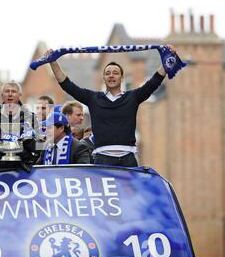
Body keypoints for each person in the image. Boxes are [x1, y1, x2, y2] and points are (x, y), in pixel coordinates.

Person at [45, 45, 178, 167]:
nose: (111, 76)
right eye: (107, 73)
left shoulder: (133, 97)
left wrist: (168, 60)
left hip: (128, 160)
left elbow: (153, 83)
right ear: (103, 78)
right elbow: (67, 85)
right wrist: (53, 62)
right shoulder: (93, 98)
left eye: (115, 73)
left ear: (122, 78)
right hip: (102, 160)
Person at [0, 82, 41, 170]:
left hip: (24, 170)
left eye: (14, 91)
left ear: (20, 95)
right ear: (2, 95)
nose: (10, 94)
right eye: (7, 91)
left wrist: (29, 142)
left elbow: (40, 149)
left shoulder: (31, 117)